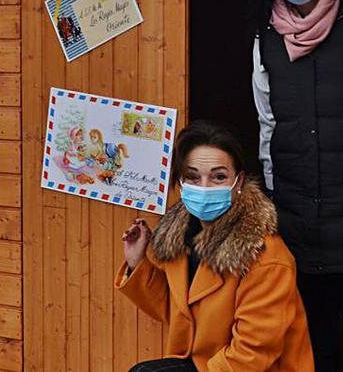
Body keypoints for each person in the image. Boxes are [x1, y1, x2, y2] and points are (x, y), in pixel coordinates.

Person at [250, 0, 343, 371]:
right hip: (297, 219)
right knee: (311, 344)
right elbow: (268, 125)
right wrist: (273, 195)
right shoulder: (266, 42)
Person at [116, 120, 314, 372]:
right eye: (193, 177)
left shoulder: (266, 256)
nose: (205, 187)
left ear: (238, 182)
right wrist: (137, 263)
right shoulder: (182, 237)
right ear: (181, 181)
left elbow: (252, 354)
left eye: (219, 177)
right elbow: (180, 313)